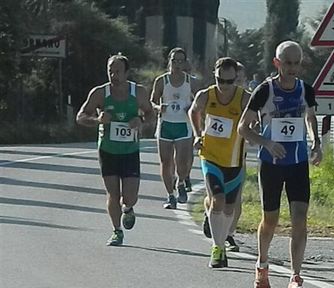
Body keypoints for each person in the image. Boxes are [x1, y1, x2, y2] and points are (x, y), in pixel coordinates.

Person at [238, 40, 322, 288]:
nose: (293, 68)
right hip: (271, 164)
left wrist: (316, 143)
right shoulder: (265, 91)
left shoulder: (305, 90)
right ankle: (262, 265)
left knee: (300, 218)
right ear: (277, 63)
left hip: (297, 163)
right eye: (287, 63)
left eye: (297, 63)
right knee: (271, 220)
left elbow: (310, 117)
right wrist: (267, 142)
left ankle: (295, 277)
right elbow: (243, 128)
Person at [76, 53, 154, 246]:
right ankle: (117, 230)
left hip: (130, 150)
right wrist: (97, 120)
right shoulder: (100, 93)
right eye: (110, 70)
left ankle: (128, 208)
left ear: (127, 72)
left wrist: (141, 121)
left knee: (130, 196)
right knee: (113, 193)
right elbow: (80, 116)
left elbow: (151, 113)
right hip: (108, 150)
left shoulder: (139, 92)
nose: (113, 75)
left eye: (118, 71)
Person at [189, 57, 251, 268]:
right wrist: (198, 135)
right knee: (218, 200)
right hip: (211, 157)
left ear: (236, 79)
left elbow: (257, 118)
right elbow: (193, 111)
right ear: (214, 76)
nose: (223, 86)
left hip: (235, 160)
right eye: (219, 80)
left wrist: (254, 131)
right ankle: (218, 248)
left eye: (228, 81)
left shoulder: (244, 98)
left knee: (229, 208)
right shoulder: (206, 95)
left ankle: (220, 236)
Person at [151, 48, 201, 209]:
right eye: (174, 60)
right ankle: (170, 196)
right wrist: (159, 108)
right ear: (169, 61)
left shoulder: (191, 82)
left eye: (181, 61)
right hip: (165, 125)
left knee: (183, 162)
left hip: (183, 126)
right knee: (166, 162)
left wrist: (192, 108)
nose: (177, 64)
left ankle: (181, 182)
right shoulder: (161, 81)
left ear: (185, 63)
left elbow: (201, 102)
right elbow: (151, 102)